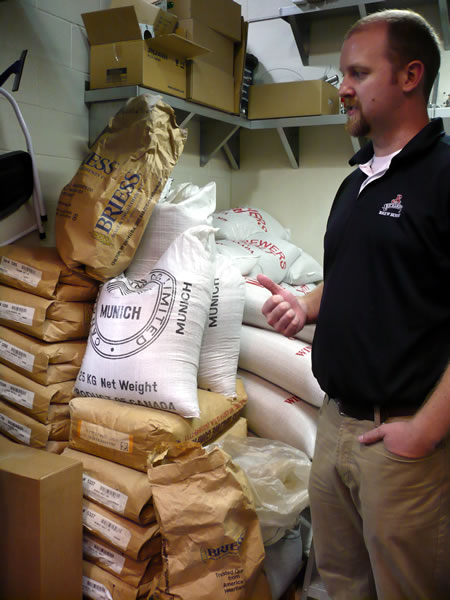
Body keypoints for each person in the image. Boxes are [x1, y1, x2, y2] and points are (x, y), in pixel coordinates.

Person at [258, 9, 450, 600]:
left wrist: (422, 431)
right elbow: (352, 277)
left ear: (410, 75)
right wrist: (307, 306)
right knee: (340, 585)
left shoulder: (444, 176)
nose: (341, 89)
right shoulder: (357, 181)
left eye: (358, 73)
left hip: (403, 440)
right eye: (341, 75)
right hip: (335, 421)